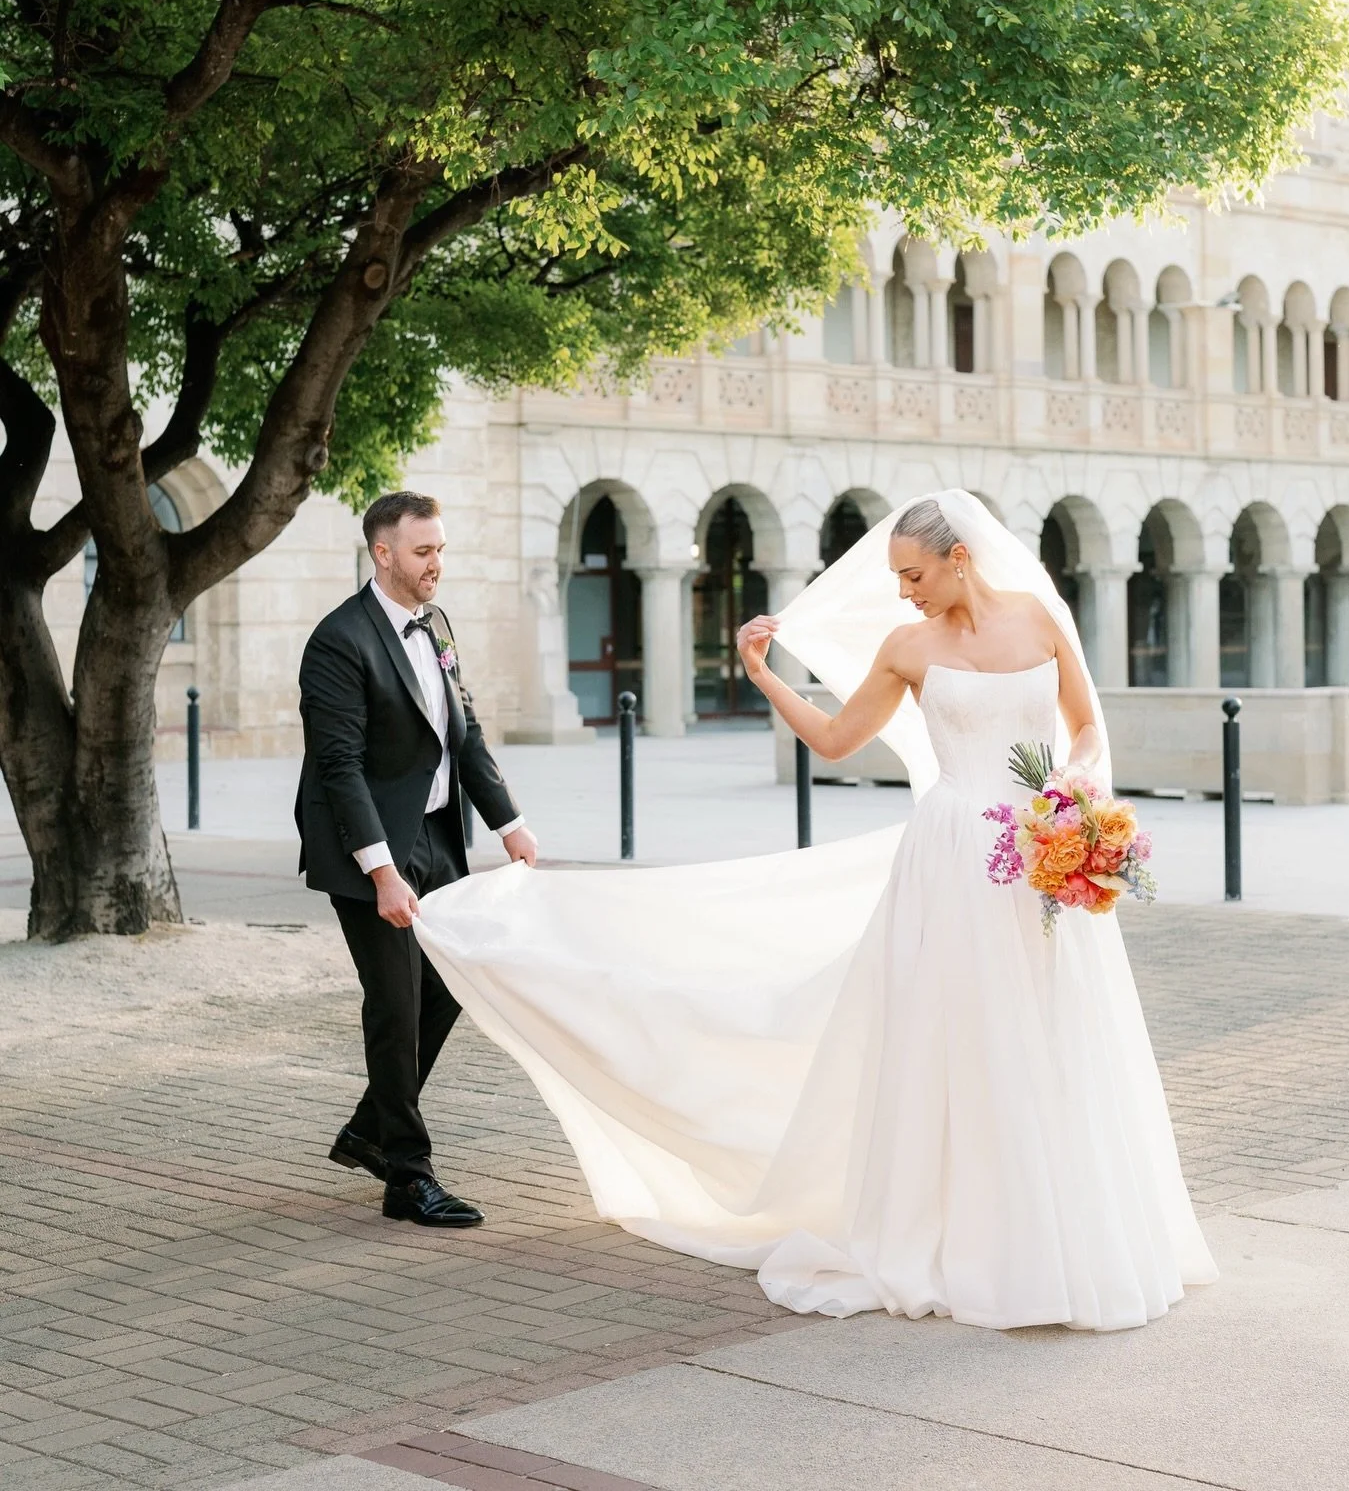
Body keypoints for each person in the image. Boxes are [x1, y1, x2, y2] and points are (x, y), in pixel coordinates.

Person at [413, 490, 1217, 1326]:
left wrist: (1072, 794)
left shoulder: (1041, 621)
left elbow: (1086, 729)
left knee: (1049, 1037)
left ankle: (1064, 1233)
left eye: (913, 574)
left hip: (1039, 856)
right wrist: (764, 677)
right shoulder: (907, 648)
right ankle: (965, 1237)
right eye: (896, 577)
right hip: (947, 862)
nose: (903, 591)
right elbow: (837, 741)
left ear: (961, 558)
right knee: (955, 1040)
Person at [296, 490, 537, 1227]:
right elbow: (339, 768)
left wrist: (511, 825)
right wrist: (381, 873)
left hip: (437, 837)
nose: (437, 563)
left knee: (450, 986)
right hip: (368, 850)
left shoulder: (436, 625)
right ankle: (407, 1175)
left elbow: (465, 732)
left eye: (441, 549)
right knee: (396, 1008)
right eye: (424, 551)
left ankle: (370, 1128)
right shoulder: (338, 641)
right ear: (384, 554)